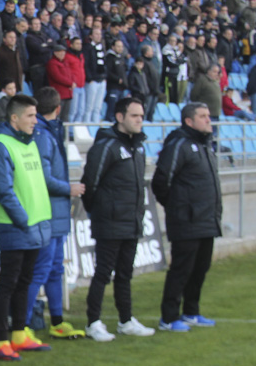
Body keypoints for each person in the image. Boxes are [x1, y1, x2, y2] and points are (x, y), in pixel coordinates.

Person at [0, 94, 53, 361]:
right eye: (31, 116)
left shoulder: (29, 141)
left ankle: (19, 333)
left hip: (34, 225)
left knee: (24, 281)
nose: (35, 121)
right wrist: (23, 219)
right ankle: (1, 339)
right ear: (14, 118)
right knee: (8, 283)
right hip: (15, 226)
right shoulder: (0, 145)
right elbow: (4, 191)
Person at [81, 97, 155, 342]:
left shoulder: (139, 146)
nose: (139, 121)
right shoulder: (106, 146)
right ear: (120, 117)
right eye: (134, 116)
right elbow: (90, 183)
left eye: (142, 117)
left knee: (125, 273)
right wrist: (100, 211)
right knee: (103, 273)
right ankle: (93, 322)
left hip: (131, 221)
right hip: (110, 221)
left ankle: (126, 320)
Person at [152, 102, 222, 333]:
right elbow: (161, 181)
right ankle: (169, 317)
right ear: (189, 121)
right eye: (202, 116)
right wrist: (177, 208)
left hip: (206, 219)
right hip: (186, 220)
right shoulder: (179, 144)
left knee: (200, 268)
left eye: (208, 116)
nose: (208, 120)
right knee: (181, 269)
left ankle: (191, 312)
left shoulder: (205, 145)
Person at [26, 87, 86, 339]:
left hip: (57, 213)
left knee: (55, 269)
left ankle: (57, 321)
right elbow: (43, 177)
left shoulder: (51, 132)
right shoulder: (42, 135)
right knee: (40, 269)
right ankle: (22, 324)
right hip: (46, 212)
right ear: (59, 108)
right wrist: (69, 188)